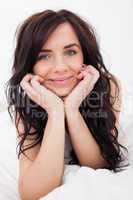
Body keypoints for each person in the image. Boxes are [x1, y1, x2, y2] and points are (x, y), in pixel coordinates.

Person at [6, 9, 128, 200]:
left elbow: (99, 166)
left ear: (84, 57)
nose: (60, 67)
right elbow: (32, 193)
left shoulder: (107, 86)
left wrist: (72, 109)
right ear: (31, 65)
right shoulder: (26, 102)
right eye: (44, 56)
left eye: (70, 52)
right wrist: (55, 110)